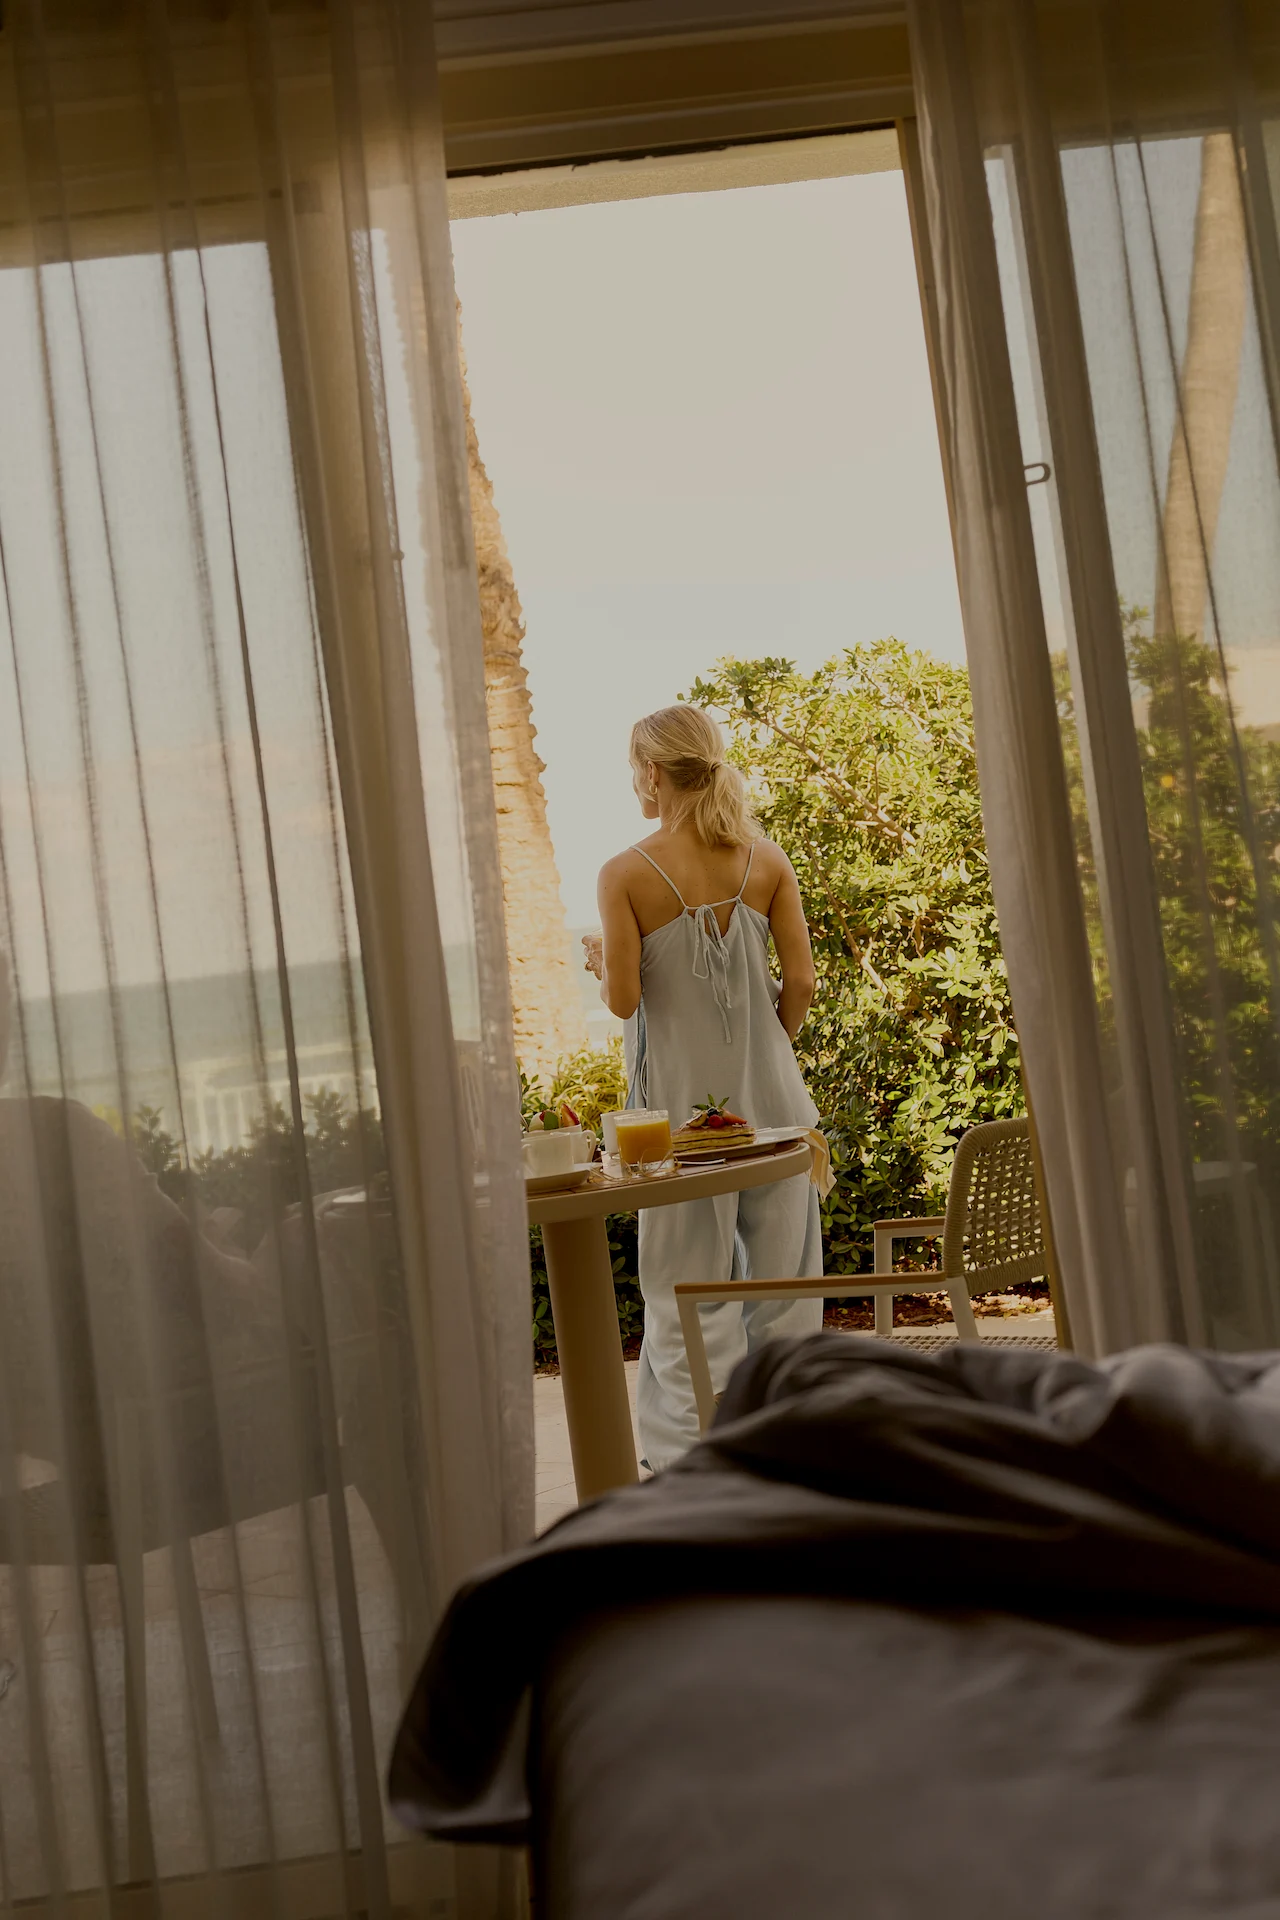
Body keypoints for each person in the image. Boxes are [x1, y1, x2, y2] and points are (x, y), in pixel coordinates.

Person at [583, 704, 824, 1470]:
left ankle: (695, 1465)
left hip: (678, 1123)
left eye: (634, 769)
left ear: (654, 772)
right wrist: (765, 1055)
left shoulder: (624, 872)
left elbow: (624, 1001)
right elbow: (803, 983)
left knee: (684, 1291)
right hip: (778, 1112)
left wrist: (600, 962)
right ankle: (785, 1449)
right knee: (784, 1292)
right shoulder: (767, 860)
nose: (634, 784)